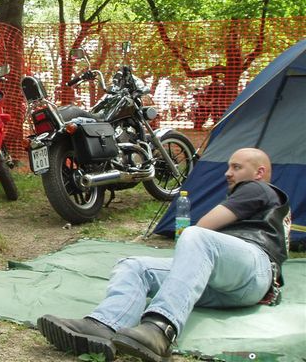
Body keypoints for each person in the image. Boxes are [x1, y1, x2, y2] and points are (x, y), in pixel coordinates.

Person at [37, 147, 290, 362]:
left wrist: (192, 245)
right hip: (228, 285)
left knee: (195, 234)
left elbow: (205, 226)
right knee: (135, 266)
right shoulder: (262, 198)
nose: (227, 173)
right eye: (228, 167)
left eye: (236, 167)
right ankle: (104, 326)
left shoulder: (257, 188)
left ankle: (160, 329)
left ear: (259, 173)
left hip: (253, 269)